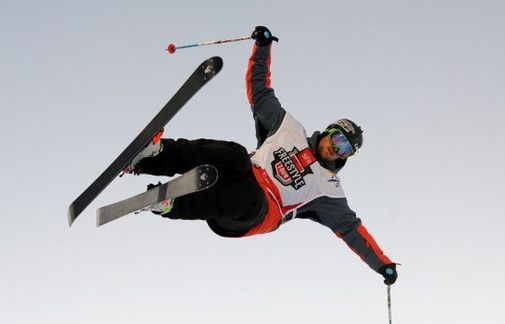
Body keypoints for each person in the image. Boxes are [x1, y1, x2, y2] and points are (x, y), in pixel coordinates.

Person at [125, 26, 398, 285]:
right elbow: (260, 91)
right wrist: (263, 47)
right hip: (239, 175)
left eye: (344, 150)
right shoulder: (289, 129)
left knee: (249, 195)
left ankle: (173, 204)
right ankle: (152, 156)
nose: (335, 150)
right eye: (337, 139)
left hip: (256, 212)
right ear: (328, 130)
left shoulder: (329, 189)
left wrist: (381, 264)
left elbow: (352, 230)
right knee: (233, 154)